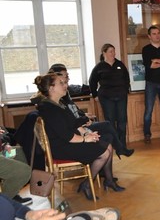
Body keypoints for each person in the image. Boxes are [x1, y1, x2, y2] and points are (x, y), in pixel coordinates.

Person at [34, 72, 125, 201]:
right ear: (51, 88)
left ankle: (108, 181)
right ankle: (87, 184)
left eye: (65, 82)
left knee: (108, 145)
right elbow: (66, 135)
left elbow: (74, 124)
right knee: (104, 152)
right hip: (61, 147)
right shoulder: (49, 108)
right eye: (61, 83)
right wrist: (84, 139)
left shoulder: (59, 104)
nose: (65, 85)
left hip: (68, 141)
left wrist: (86, 133)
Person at [49, 64, 134, 160]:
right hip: (75, 132)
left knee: (109, 132)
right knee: (107, 126)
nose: (67, 78)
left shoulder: (64, 93)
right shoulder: (58, 98)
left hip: (79, 125)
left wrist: (83, 115)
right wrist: (83, 121)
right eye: (65, 75)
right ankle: (118, 150)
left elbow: (73, 110)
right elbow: (69, 122)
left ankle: (107, 165)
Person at [88, 44, 133, 154]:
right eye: (110, 51)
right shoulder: (100, 67)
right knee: (111, 121)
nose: (113, 53)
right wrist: (95, 95)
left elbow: (126, 79)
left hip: (121, 96)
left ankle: (122, 147)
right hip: (106, 97)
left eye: (114, 51)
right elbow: (92, 81)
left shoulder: (119, 64)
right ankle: (114, 146)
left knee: (122, 121)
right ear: (104, 53)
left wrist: (126, 90)